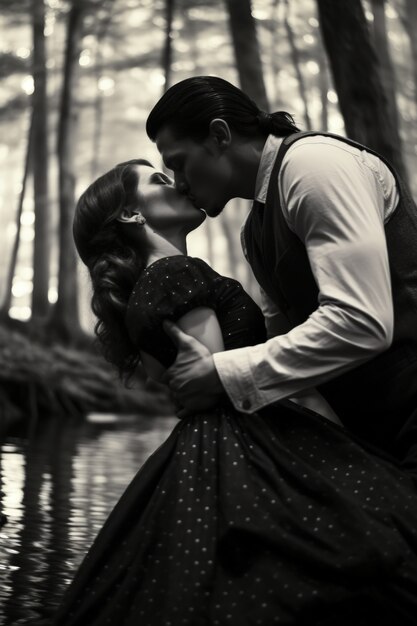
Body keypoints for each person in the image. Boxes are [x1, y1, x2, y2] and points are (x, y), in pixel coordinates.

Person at [43, 158, 417, 626]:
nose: (178, 181)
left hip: (218, 444)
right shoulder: (172, 273)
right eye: (159, 179)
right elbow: (212, 377)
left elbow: (181, 376)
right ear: (132, 215)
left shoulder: (152, 283)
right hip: (250, 439)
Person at [146, 75, 417, 464]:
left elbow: (362, 321)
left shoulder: (314, 166)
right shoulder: (253, 233)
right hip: (376, 440)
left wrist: (221, 374)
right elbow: (287, 348)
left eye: (179, 164)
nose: (179, 183)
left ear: (219, 135)